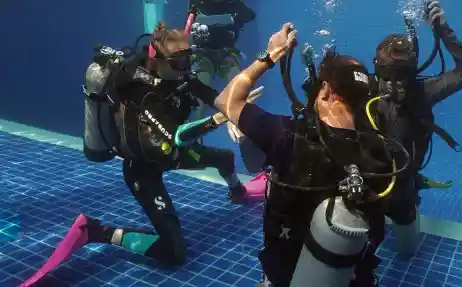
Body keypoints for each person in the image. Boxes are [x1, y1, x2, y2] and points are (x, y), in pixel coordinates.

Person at [20, 23, 260, 287]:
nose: (186, 69)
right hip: (142, 167)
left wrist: (245, 93)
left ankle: (239, 193)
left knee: (223, 158)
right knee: (174, 253)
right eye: (179, 62)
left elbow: (218, 98)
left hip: (170, 154)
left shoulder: (180, 77)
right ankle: (98, 232)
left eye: (189, 60)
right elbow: (176, 136)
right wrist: (216, 120)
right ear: (159, 60)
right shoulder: (141, 90)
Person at [214, 23, 403, 287]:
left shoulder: (287, 135)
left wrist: (270, 56)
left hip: (287, 276)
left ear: (325, 90)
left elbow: (226, 101)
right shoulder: (382, 151)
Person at [369, 0, 462, 256]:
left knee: (408, 251)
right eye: (385, 76)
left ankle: (416, 186)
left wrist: (443, 29)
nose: (392, 85)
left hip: (403, 181)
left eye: (401, 77)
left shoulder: (423, 92)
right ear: (377, 68)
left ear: (412, 73)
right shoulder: (366, 87)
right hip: (372, 179)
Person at [187, 0, 265, 171]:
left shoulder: (232, 4)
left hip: (225, 54)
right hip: (203, 55)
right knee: (197, 102)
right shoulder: (198, 3)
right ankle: (191, 147)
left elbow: (250, 16)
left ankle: (251, 149)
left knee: (241, 97)